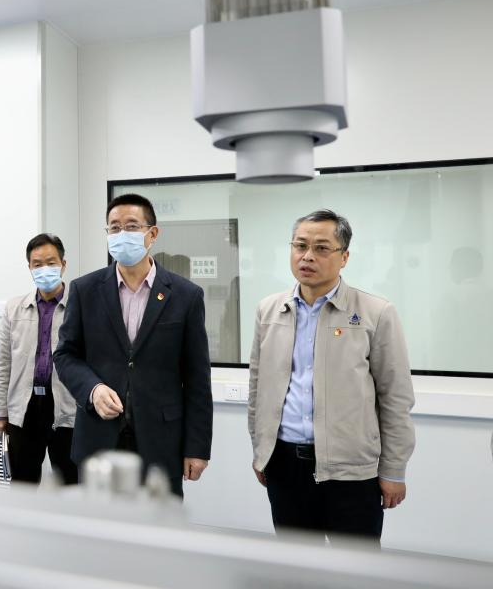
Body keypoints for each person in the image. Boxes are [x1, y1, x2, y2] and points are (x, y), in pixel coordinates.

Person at [248, 209, 415, 546]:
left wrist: (394, 469)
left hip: (351, 471)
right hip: (284, 464)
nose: (307, 256)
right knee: (297, 565)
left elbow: (395, 397)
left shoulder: (375, 312)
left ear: (344, 257)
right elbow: (257, 386)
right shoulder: (269, 310)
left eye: (322, 248)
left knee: (354, 568)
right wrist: (261, 450)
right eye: (300, 246)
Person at [54, 193, 212, 497]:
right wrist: (92, 389)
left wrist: (197, 447)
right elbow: (65, 355)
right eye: (114, 228)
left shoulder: (186, 296)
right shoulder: (85, 290)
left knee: (159, 521)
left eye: (131, 226)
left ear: (152, 233)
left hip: (161, 441)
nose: (121, 234)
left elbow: (197, 378)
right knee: (97, 523)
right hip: (98, 437)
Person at [0, 233, 77, 485]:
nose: (44, 269)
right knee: (23, 482)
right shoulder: (14, 308)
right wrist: (0, 412)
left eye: (51, 263)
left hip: (67, 406)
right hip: (24, 406)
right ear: (29, 267)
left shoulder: (79, 307)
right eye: (37, 264)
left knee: (70, 481)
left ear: (63, 264)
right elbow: (2, 363)